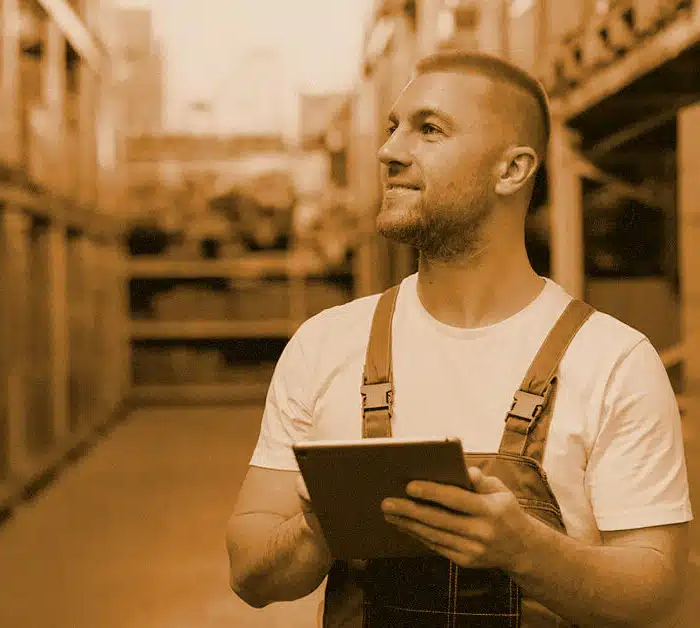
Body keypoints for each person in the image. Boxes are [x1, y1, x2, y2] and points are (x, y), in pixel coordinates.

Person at [225, 50, 693, 627]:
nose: (389, 150)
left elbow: (659, 594)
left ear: (512, 171)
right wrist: (318, 527)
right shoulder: (325, 344)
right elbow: (249, 571)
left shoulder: (613, 361)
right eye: (394, 127)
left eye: (429, 129)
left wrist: (524, 549)